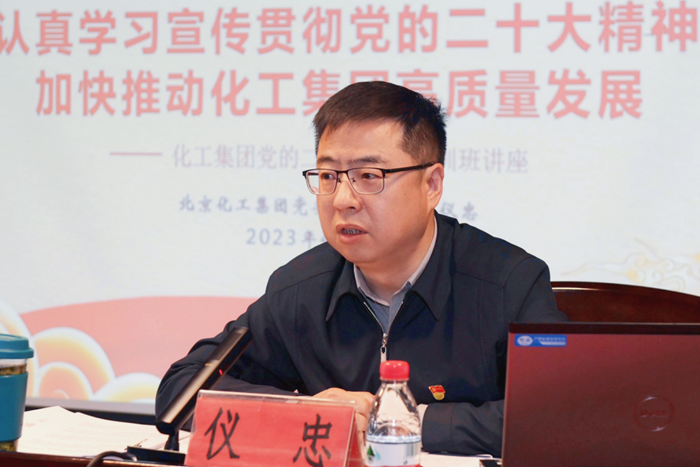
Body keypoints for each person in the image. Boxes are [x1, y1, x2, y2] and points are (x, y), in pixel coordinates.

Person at [155, 81, 566, 456]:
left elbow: (556, 414)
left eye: (369, 176)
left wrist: (395, 422)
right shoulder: (301, 288)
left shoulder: (508, 283)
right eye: (329, 175)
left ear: (431, 185)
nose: (342, 199)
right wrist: (311, 414)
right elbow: (181, 392)